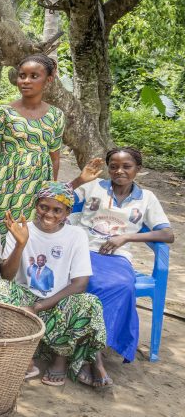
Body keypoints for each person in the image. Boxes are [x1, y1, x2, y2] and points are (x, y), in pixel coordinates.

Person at [0, 182, 109, 388]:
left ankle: (60, 357)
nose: (49, 214)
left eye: (57, 210)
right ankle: (24, 355)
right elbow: (6, 276)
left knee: (89, 303)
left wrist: (38, 307)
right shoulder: (21, 230)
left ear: (67, 212)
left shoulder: (76, 235)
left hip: (56, 304)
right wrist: (20, 244)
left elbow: (80, 283)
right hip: (23, 300)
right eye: (44, 207)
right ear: (36, 206)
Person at [69, 148, 175, 363]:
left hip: (118, 257)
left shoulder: (147, 198)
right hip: (84, 249)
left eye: (126, 166)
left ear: (138, 169)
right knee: (93, 281)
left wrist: (125, 237)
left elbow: (167, 234)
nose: (119, 171)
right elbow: (55, 198)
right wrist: (80, 179)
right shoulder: (93, 187)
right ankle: (94, 356)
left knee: (123, 285)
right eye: (113, 166)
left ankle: (93, 348)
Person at [0, 54, 65, 235]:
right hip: (5, 185)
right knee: (1, 233)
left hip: (38, 187)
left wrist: (49, 193)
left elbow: (55, 158)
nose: (26, 81)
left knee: (30, 236)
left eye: (34, 76)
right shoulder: (2, 113)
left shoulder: (57, 116)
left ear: (48, 80)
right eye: (22, 76)